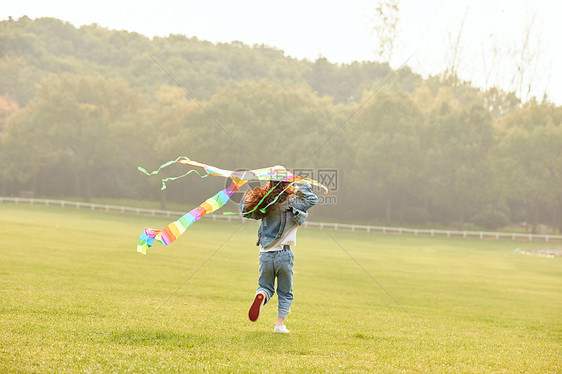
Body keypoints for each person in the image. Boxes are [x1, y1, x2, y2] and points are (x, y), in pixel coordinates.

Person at [239, 174, 318, 334]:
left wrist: (258, 195)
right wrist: (298, 188)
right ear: (287, 183)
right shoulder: (293, 202)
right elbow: (312, 199)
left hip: (265, 255)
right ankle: (279, 325)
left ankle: (261, 296)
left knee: (265, 287)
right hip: (284, 254)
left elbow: (245, 211)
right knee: (285, 293)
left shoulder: (265, 203)